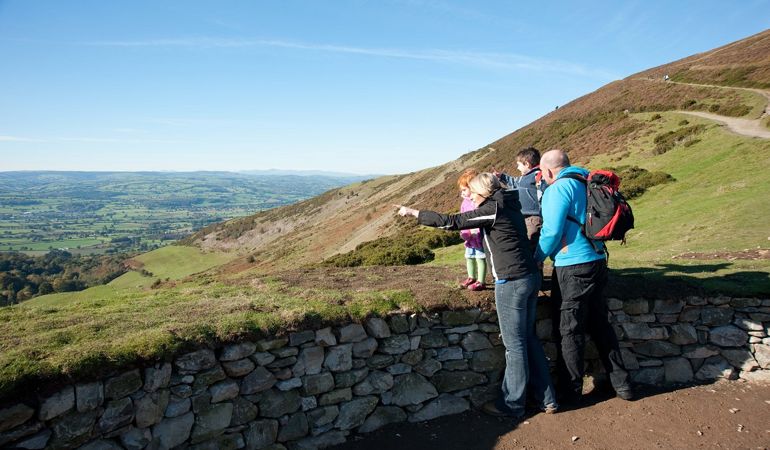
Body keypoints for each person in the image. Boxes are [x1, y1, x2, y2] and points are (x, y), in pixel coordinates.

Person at [396, 173, 557, 420]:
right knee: (529, 339)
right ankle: (548, 399)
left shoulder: (492, 209)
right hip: (529, 277)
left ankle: (513, 404)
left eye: (471, 191)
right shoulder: (509, 202)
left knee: (514, 346)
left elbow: (452, 221)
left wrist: (413, 212)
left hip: (511, 281)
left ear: (483, 192)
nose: (469, 196)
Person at [535, 149, 634, 403]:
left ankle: (570, 392)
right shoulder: (586, 180)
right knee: (601, 325)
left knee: (570, 330)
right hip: (598, 260)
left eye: (542, 174)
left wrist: (534, 258)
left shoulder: (557, 189)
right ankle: (622, 384)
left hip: (572, 266)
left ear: (546, 171)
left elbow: (551, 231)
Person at [496, 147, 546, 253]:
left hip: (533, 219)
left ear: (527, 164)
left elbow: (515, 183)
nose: (518, 168)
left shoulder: (537, 176)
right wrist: (501, 177)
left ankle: (535, 268)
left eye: (519, 165)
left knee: (531, 248)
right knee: (528, 247)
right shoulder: (526, 178)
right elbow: (514, 182)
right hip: (527, 218)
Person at [457, 169, 486, 291]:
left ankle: (481, 281)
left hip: (478, 236)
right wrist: (463, 233)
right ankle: (471, 277)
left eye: (464, 190)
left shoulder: (478, 201)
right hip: (469, 236)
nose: (462, 193)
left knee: (480, 257)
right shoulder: (464, 203)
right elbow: (462, 217)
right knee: (469, 256)